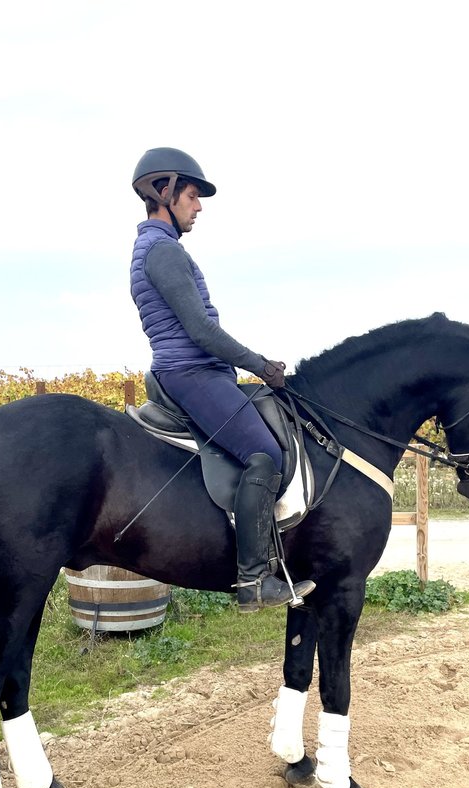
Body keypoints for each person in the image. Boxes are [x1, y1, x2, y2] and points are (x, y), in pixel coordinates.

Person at [129, 147, 315, 611]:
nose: (199, 206)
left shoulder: (154, 249)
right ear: (164, 192)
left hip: (189, 370)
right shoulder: (164, 251)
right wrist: (261, 365)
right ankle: (253, 581)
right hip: (191, 372)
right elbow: (202, 331)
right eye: (192, 195)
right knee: (265, 453)